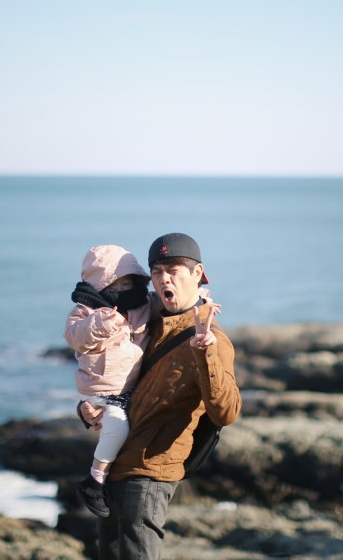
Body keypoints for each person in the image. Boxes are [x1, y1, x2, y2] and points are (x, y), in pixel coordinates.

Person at [79, 232, 242, 560]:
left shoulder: (213, 340)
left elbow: (226, 412)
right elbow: (117, 380)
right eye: (157, 271)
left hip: (150, 473)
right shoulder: (145, 321)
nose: (164, 278)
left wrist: (205, 352)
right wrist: (87, 407)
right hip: (115, 468)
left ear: (197, 274)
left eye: (173, 270)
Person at [64, 244, 153, 517]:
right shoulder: (86, 310)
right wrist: (101, 323)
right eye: (116, 284)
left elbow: (168, 303)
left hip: (128, 390)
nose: (124, 290)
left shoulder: (143, 305)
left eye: (129, 283)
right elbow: (73, 336)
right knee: (116, 429)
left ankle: (102, 483)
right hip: (99, 390)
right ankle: (94, 482)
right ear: (100, 285)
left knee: (119, 429)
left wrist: (199, 299)